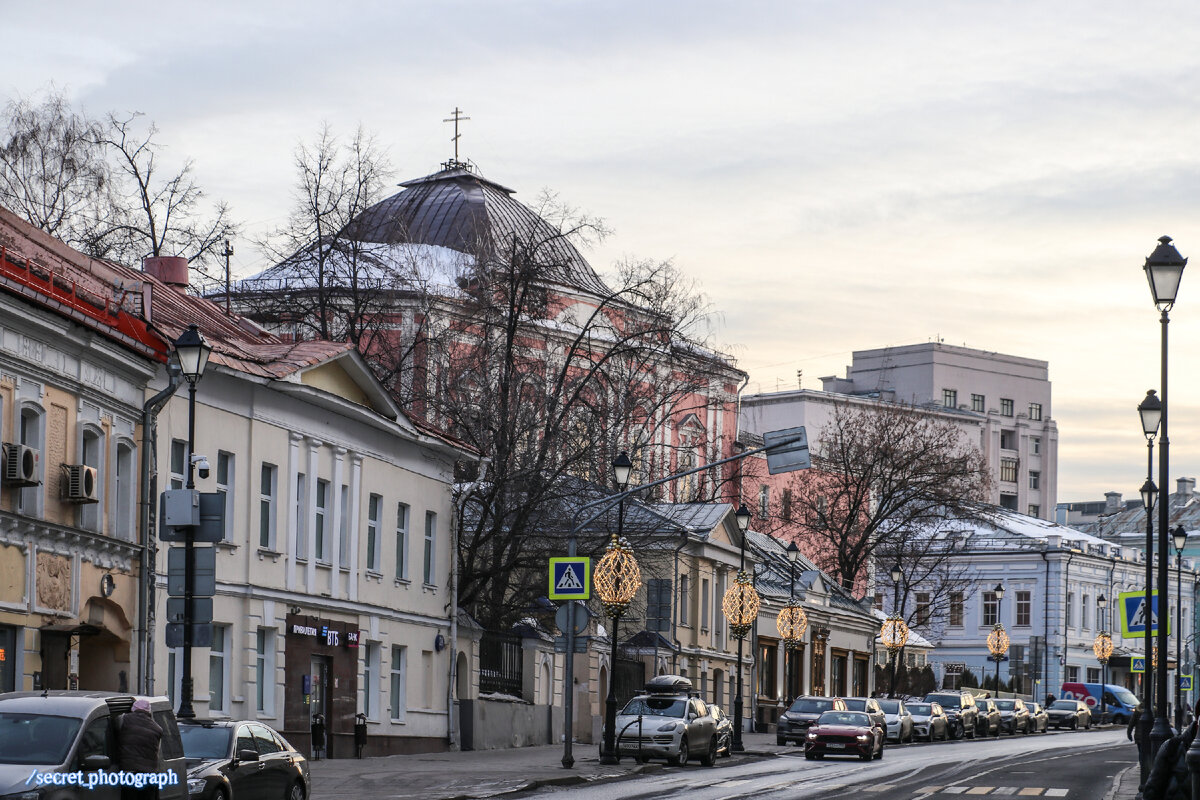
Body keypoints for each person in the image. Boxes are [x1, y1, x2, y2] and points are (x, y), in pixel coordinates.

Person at [118, 699, 163, 800]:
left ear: (133, 709)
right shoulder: (157, 729)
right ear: (149, 712)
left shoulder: (124, 719)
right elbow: (157, 753)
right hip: (149, 774)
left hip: (130, 772)